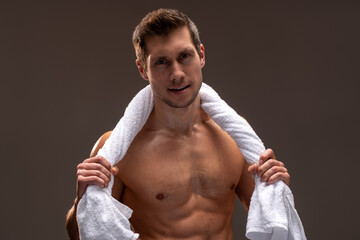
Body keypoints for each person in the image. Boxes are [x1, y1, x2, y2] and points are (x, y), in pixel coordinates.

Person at [65, 8, 290, 240]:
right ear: (143, 69)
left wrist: (277, 187)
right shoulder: (118, 150)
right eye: (161, 62)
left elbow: (270, 217)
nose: (177, 73)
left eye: (184, 56)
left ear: (201, 55)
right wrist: (83, 200)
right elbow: (85, 233)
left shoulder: (233, 136)